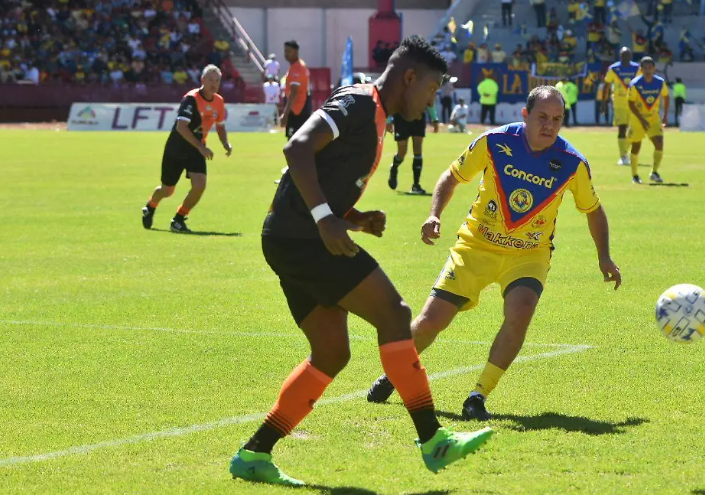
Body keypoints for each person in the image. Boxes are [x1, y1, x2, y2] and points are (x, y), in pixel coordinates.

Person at [229, 36, 493, 487]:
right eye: (431, 90)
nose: (432, 102)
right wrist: (326, 219)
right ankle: (434, 441)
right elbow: (296, 149)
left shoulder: (374, 115)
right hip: (302, 239)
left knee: (332, 353)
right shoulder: (357, 103)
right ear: (409, 77)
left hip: (291, 237)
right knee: (396, 314)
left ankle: (254, 455)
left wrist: (353, 218)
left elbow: (322, 177)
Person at [365, 86, 622, 419]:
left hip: (528, 254)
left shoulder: (572, 163)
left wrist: (604, 256)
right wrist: (434, 214)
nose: (549, 125)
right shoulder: (494, 142)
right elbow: (452, 176)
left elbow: (593, 209)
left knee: (521, 311)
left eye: (557, 119)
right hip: (475, 245)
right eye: (542, 117)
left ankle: (478, 396)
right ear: (525, 115)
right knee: (431, 321)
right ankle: (395, 374)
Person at [141, 65, 232, 233]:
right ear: (203, 80)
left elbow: (220, 125)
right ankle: (150, 206)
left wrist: (225, 143)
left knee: (200, 185)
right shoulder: (191, 99)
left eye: (217, 80)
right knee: (167, 190)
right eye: (210, 80)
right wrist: (201, 147)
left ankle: (179, 219)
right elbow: (181, 127)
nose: (214, 84)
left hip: (196, 150)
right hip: (177, 147)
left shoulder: (219, 101)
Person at [627, 57, 669, 184]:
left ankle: (654, 172)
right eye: (645, 68)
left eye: (650, 67)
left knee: (659, 143)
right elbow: (631, 103)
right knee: (636, 146)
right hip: (637, 119)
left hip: (653, 118)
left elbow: (666, 96)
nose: (648, 70)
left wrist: (665, 115)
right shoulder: (635, 84)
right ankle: (635, 175)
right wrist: (641, 119)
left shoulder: (660, 82)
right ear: (641, 69)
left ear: (654, 68)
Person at [388, 105, 440, 194]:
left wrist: (434, 118)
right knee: (402, 152)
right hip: (401, 117)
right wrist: (388, 120)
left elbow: (429, 100)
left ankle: (416, 185)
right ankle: (394, 167)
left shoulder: (424, 90)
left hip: (418, 118)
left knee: (418, 149)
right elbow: (394, 98)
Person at [602, 47, 640, 166]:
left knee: (633, 130)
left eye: (627, 55)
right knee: (622, 128)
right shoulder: (613, 69)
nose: (625, 57)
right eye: (623, 55)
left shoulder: (636, 68)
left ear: (630, 56)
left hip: (633, 102)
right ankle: (623, 156)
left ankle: (626, 151)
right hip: (619, 103)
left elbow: (641, 84)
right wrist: (604, 102)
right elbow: (606, 85)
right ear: (620, 55)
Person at [280, 40, 311, 141]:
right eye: (285, 51)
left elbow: (293, 93)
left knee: (293, 144)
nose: (286, 54)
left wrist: (285, 114)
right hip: (299, 110)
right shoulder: (298, 66)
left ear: (296, 52)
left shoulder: (297, 69)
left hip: (297, 111)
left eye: (289, 51)